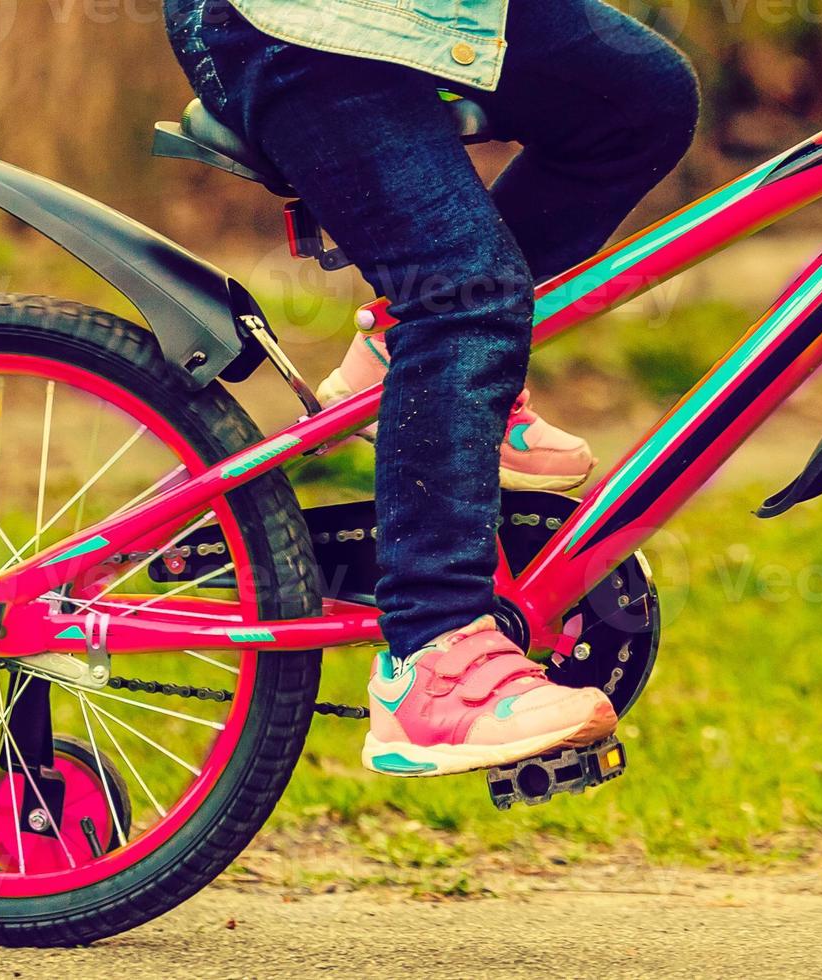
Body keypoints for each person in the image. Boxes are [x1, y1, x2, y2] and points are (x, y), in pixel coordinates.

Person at [162, 0, 698, 775]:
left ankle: (411, 353)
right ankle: (433, 659)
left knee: (641, 104)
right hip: (300, 20)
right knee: (463, 293)